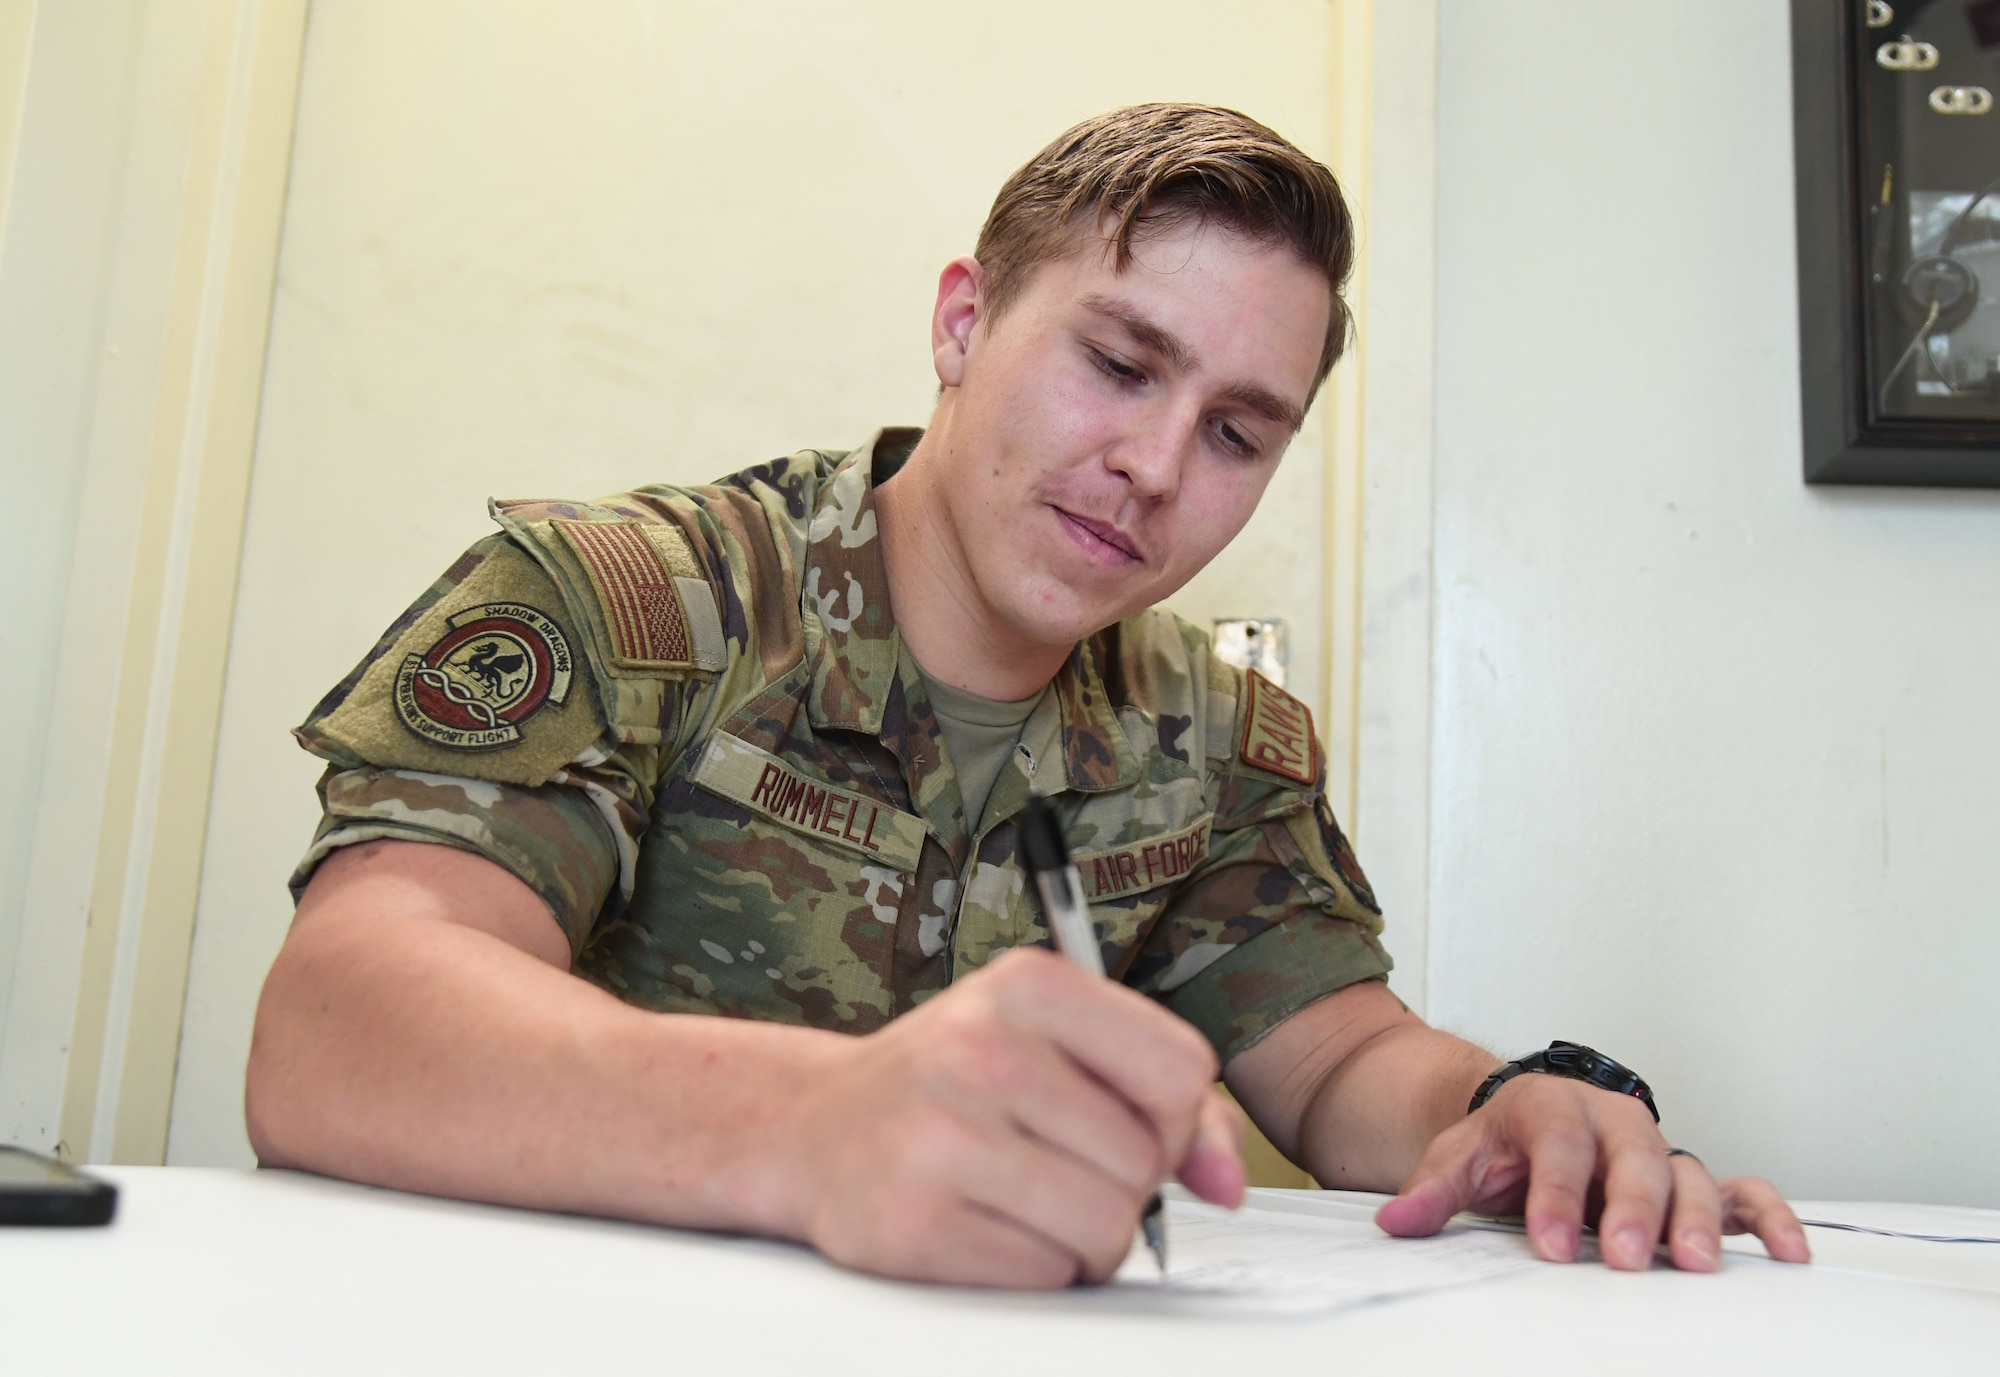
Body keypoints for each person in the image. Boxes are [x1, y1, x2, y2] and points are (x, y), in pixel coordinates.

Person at [246, 103, 1809, 1287]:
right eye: (1123, 364)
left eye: (1237, 433)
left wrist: (1511, 1103)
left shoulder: (1215, 736)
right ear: (963, 321)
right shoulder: (636, 601)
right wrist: (809, 1127)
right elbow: (340, 1022)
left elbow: (1334, 1061)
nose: (1156, 466)